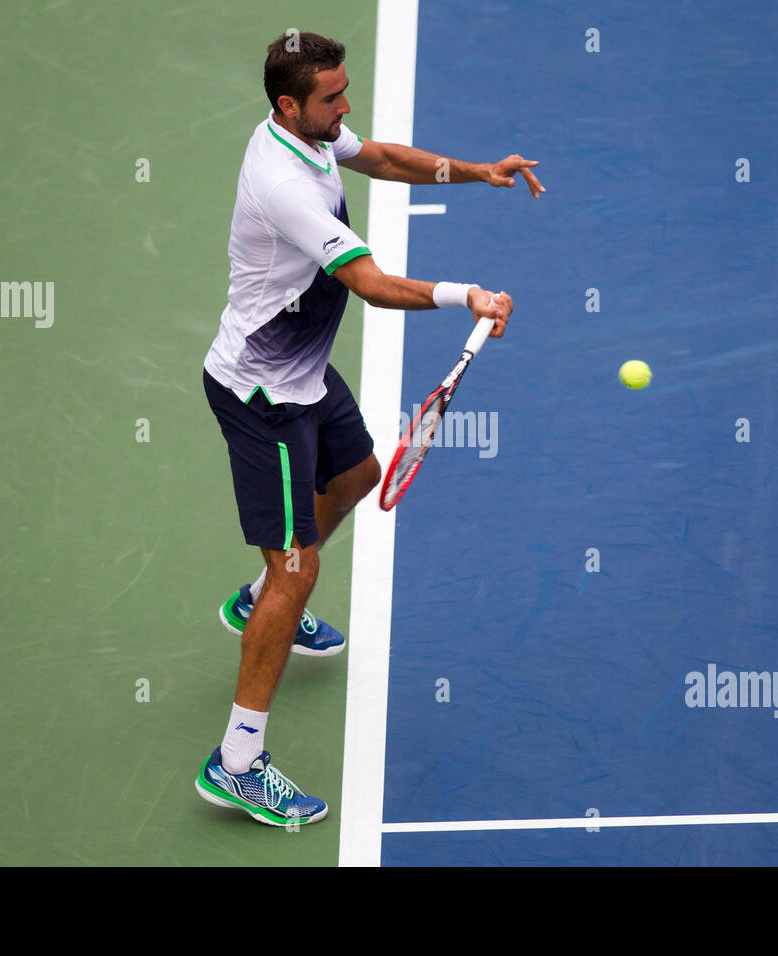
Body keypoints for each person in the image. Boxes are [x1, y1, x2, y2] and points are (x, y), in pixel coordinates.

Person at [196, 30, 544, 826]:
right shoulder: (283, 181)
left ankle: (259, 604)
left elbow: (382, 158)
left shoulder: (305, 131)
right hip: (263, 398)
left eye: (344, 92)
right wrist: (471, 297)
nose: (345, 107)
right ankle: (238, 761)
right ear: (289, 104)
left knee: (356, 477)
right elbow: (375, 284)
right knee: (298, 570)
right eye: (331, 98)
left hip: (304, 376)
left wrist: (477, 172)